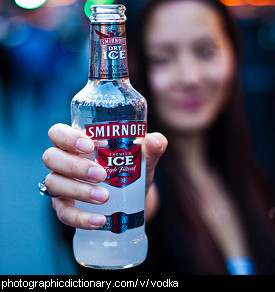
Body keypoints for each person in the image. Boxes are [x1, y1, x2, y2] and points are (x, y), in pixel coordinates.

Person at [41, 0, 275, 274]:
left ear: (234, 52)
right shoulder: (140, 182)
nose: (189, 77)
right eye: (161, 58)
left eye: (206, 51)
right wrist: (125, 198)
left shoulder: (262, 160)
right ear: (131, 60)